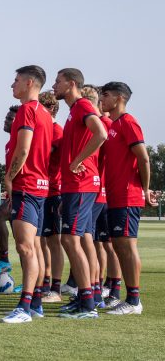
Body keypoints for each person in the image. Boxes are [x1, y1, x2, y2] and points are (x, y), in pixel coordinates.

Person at [51, 68, 107, 319]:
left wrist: (78, 160)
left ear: (71, 84)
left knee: (70, 240)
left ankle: (87, 304)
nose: (54, 86)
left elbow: (101, 133)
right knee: (82, 239)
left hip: (82, 183)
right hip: (76, 186)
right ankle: (88, 296)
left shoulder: (83, 106)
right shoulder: (74, 110)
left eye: (58, 81)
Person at [0, 66, 53, 324]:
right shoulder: (45, 113)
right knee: (35, 247)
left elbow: (23, 149)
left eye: (16, 80)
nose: (12, 85)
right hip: (40, 186)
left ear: (30, 82)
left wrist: (9, 177)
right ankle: (36, 304)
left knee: (25, 248)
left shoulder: (28, 110)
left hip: (26, 185)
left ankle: (25, 305)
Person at [100, 82, 157, 315]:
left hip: (127, 195)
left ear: (119, 98)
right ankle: (125, 295)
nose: (102, 99)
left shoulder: (129, 122)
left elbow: (143, 158)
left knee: (127, 245)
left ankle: (134, 301)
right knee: (120, 246)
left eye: (106, 95)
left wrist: (145, 189)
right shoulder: (114, 125)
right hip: (115, 196)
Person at [81, 84, 118, 309]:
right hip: (99, 190)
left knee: (102, 243)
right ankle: (101, 287)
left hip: (98, 191)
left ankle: (104, 288)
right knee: (98, 242)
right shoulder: (102, 123)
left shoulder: (104, 125)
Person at [39, 91, 66, 302]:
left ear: (50, 109)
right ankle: (45, 282)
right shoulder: (45, 129)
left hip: (53, 191)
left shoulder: (56, 130)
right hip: (39, 191)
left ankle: (55, 289)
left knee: (54, 241)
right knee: (41, 241)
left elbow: (46, 155)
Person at [0, 105, 20, 276]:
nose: (6, 120)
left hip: (24, 193)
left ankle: (4, 260)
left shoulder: (21, 141)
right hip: (14, 193)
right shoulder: (10, 142)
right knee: (21, 239)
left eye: (10, 118)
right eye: (6, 117)